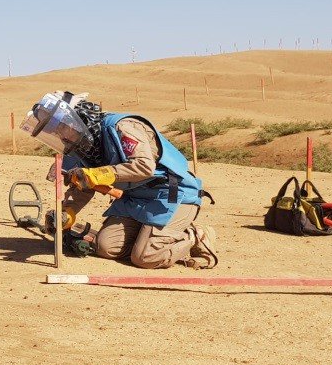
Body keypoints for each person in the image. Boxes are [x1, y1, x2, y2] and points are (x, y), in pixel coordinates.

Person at [20, 91, 217, 269]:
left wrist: (100, 174)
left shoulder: (122, 127)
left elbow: (143, 166)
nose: (61, 134)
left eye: (62, 126)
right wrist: (67, 211)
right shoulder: (83, 144)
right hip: (135, 199)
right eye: (56, 131)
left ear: (78, 117)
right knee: (105, 247)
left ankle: (196, 236)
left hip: (173, 194)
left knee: (145, 258)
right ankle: (150, 235)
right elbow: (84, 183)